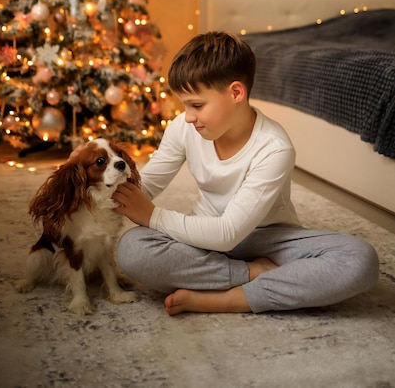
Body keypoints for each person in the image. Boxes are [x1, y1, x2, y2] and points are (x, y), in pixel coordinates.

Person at [114, 31, 379, 316]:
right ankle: (253, 274)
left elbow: (228, 233)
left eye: (197, 105)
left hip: (269, 237)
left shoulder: (274, 147)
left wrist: (153, 216)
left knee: (359, 259)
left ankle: (228, 299)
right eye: (184, 105)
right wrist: (97, 184)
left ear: (236, 93)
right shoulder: (184, 127)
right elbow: (147, 184)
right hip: (203, 236)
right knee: (131, 248)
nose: (188, 116)